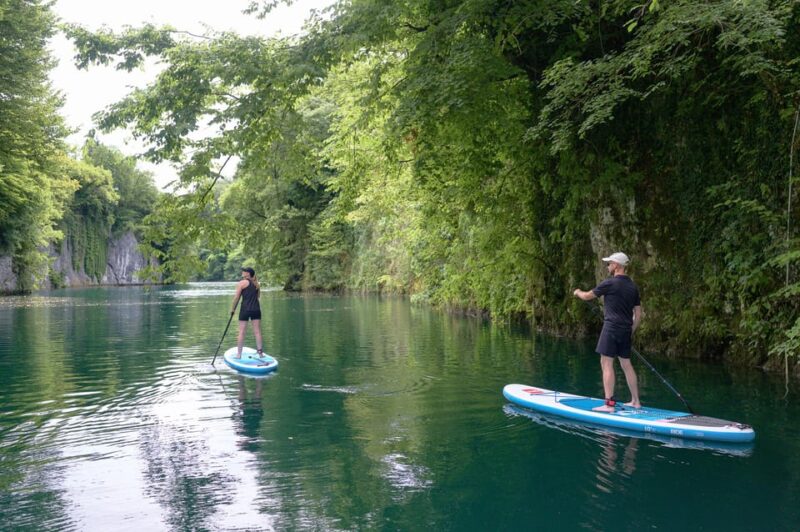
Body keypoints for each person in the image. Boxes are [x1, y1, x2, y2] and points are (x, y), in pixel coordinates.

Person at [573, 252, 642, 412]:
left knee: (606, 363)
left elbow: (587, 296)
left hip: (611, 328)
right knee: (626, 363)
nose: (608, 266)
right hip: (626, 329)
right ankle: (636, 401)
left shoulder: (610, 283)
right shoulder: (633, 287)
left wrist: (577, 292)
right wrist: (631, 331)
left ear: (616, 265)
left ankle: (609, 405)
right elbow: (638, 315)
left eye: (609, 263)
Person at [231, 267, 264, 359]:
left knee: (241, 332)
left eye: (244, 271)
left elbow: (236, 297)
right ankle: (260, 353)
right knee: (257, 332)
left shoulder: (242, 283)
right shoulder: (257, 284)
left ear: (248, 274)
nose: (242, 272)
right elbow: (258, 297)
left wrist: (232, 309)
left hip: (245, 310)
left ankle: (239, 354)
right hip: (256, 310)